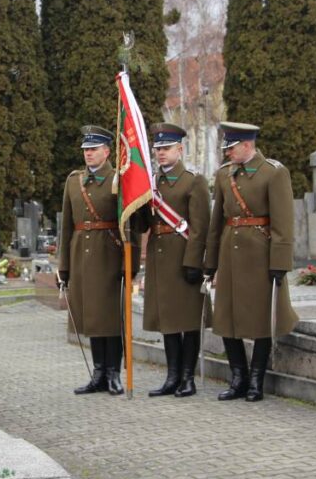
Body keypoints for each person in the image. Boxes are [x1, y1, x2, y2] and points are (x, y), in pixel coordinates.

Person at [204, 122, 298, 402]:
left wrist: (279, 262)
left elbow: (283, 221)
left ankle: (257, 379)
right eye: (226, 148)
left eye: (231, 148)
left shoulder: (274, 172)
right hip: (229, 254)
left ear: (248, 145)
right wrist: (210, 262)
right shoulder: (224, 175)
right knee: (227, 317)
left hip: (260, 253)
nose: (228, 153)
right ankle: (238, 377)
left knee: (261, 317)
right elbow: (216, 221)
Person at [58, 125, 139, 395]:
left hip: (109, 256)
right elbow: (67, 227)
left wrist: (131, 265)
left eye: (93, 149)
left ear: (107, 151)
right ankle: (98, 373)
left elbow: (130, 226)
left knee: (110, 319)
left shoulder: (119, 179)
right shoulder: (73, 181)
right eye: (85, 150)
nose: (88, 154)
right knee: (92, 317)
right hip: (81, 254)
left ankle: (114, 373)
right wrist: (64, 266)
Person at [132, 123, 209, 397]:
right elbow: (144, 225)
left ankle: (188, 378)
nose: (161, 154)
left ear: (180, 149)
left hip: (183, 257)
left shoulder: (193, 180)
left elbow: (200, 226)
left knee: (187, 321)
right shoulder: (152, 182)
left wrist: (194, 262)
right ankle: (172, 376)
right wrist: (133, 205)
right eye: (157, 149)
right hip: (159, 257)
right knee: (168, 322)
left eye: (166, 148)